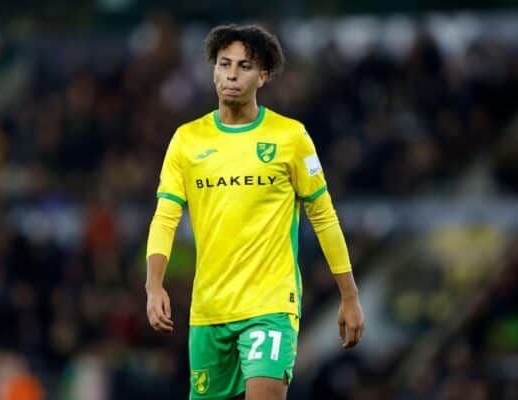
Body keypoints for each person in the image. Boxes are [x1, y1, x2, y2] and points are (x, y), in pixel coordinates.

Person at [145, 24, 364, 400]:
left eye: (244, 66)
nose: (231, 74)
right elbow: (166, 217)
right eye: (223, 63)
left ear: (263, 75)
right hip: (209, 309)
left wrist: (349, 296)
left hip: (270, 305)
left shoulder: (290, 137)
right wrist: (153, 285)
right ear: (213, 69)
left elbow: (324, 216)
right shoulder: (186, 140)